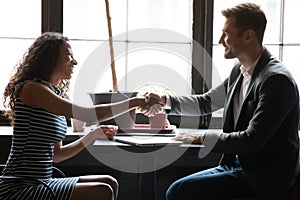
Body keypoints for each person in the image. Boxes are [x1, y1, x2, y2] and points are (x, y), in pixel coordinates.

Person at [143, 3, 299, 200]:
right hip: (233, 167)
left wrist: (200, 138)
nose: (219, 41)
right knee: (177, 189)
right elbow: (207, 103)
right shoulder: (240, 71)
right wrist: (164, 100)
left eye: (226, 34)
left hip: (262, 180)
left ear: (248, 36)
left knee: (178, 191)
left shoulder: (277, 80)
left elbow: (252, 141)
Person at [0, 32, 152, 200]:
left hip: (43, 181)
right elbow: (88, 115)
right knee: (102, 191)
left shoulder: (56, 94)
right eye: (69, 56)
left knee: (110, 182)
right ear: (50, 58)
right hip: (20, 185)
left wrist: (93, 135)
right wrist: (134, 102)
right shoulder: (32, 89)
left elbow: (57, 155)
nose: (75, 61)